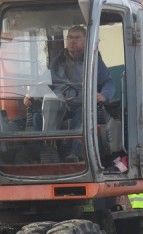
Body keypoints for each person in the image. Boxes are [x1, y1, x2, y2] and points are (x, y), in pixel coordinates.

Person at [23, 25, 115, 160]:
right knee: (38, 117)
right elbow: (43, 82)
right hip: (59, 104)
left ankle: (75, 155)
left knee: (83, 116)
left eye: (77, 38)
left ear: (85, 40)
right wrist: (31, 95)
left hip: (81, 103)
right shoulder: (56, 62)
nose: (72, 41)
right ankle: (47, 154)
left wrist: (103, 96)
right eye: (70, 37)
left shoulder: (93, 61)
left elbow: (108, 82)